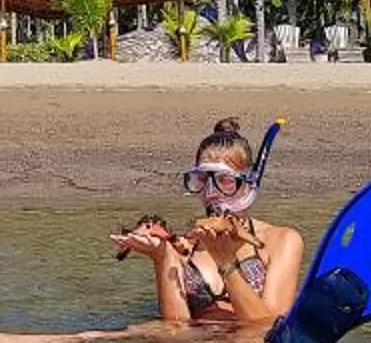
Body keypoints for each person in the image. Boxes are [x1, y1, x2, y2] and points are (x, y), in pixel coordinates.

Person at [112, 117, 304, 325]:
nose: (211, 193)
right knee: (116, 336)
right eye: (202, 180)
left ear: (248, 184)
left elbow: (267, 327)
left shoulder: (281, 241)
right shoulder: (184, 246)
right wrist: (163, 257)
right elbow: (177, 329)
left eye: (224, 181)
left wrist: (224, 261)